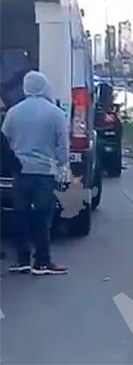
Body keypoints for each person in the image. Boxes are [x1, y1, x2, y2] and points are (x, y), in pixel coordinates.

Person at [1, 71, 69, 275]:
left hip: (20, 172)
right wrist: (62, 166)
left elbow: (5, 140)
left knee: (20, 216)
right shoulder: (55, 113)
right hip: (45, 172)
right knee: (42, 217)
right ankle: (42, 261)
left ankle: (22, 260)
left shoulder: (14, 112)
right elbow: (62, 145)